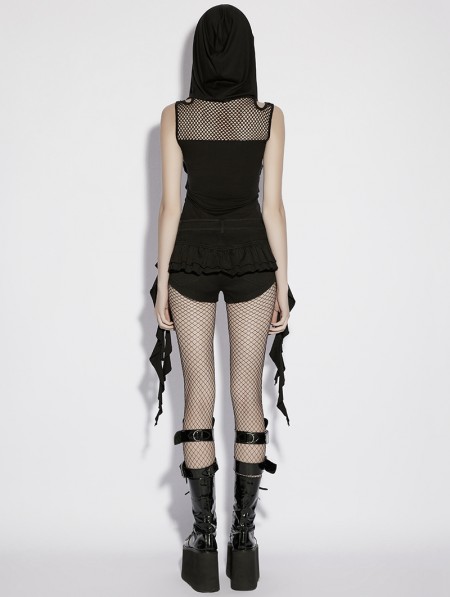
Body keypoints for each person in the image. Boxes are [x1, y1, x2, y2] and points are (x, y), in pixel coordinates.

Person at [149, 4, 296, 592]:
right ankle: (244, 541)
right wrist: (283, 285)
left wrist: (161, 281)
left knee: (199, 396)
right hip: (254, 260)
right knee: (246, 394)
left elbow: (170, 206)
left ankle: (203, 540)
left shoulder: (176, 117)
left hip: (188, 258)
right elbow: (273, 207)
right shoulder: (269, 118)